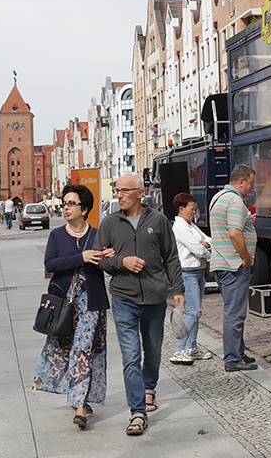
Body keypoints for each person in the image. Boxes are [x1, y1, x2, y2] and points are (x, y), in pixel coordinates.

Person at [96, 173, 185, 436]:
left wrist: (178, 289)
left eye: (124, 190)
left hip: (155, 298)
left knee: (154, 352)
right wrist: (121, 261)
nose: (119, 195)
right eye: (117, 190)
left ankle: (149, 388)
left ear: (139, 192)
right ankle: (137, 411)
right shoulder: (110, 223)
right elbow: (99, 257)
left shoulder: (157, 220)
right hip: (123, 298)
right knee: (131, 356)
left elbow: (171, 257)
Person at [33, 184, 113, 430]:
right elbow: (50, 264)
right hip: (63, 304)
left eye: (72, 203)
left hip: (91, 302)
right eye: (65, 203)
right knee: (66, 350)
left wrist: (108, 257)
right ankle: (80, 396)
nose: (66, 208)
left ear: (85, 208)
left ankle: (79, 406)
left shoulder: (98, 234)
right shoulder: (57, 235)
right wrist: (82, 258)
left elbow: (108, 266)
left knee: (84, 350)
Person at [210, 164, 258, 372]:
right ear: (241, 181)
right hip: (233, 265)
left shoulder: (218, 198)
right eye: (250, 184)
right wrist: (246, 258)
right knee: (235, 313)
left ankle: (238, 353)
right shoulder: (235, 201)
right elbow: (234, 233)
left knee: (235, 311)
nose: (251, 188)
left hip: (221, 262)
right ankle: (232, 359)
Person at [169, 192, 214, 365]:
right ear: (181, 209)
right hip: (187, 272)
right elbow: (199, 249)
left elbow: (208, 240)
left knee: (197, 312)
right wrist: (204, 247)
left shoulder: (191, 225)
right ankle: (180, 349)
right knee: (193, 312)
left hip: (198, 271)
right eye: (192, 209)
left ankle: (192, 347)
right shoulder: (180, 227)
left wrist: (205, 245)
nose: (194, 212)